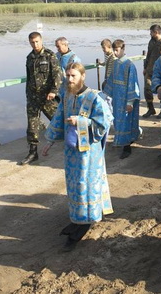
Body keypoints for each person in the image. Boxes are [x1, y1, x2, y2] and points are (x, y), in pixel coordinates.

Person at [43, 63, 114, 250]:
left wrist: (80, 121)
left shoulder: (94, 97)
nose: (69, 79)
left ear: (82, 76)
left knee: (85, 185)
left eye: (73, 75)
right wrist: (49, 140)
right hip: (71, 152)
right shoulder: (67, 95)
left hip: (89, 153)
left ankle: (84, 223)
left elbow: (105, 123)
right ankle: (77, 219)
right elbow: (59, 116)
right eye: (67, 75)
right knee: (74, 185)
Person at [22, 31, 61, 165]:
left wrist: (54, 91)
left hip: (47, 97)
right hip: (33, 98)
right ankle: (33, 153)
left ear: (41, 40)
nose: (35, 44)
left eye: (37, 41)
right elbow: (29, 78)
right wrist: (28, 94)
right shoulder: (29, 58)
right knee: (32, 126)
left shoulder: (50, 55)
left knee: (58, 120)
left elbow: (57, 75)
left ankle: (74, 143)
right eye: (32, 42)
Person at [102, 39, 141, 159]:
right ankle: (120, 141)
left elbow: (132, 84)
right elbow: (111, 80)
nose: (114, 53)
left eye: (117, 50)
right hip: (117, 99)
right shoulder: (115, 63)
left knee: (126, 121)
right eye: (113, 50)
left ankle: (127, 146)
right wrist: (105, 94)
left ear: (123, 49)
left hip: (126, 99)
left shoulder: (130, 65)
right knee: (118, 121)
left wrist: (130, 102)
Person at [142, 24, 161, 118]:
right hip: (149, 69)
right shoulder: (151, 42)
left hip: (160, 71)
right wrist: (145, 67)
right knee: (147, 89)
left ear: (156, 32)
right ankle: (151, 108)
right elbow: (148, 55)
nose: (150, 34)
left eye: (151, 32)